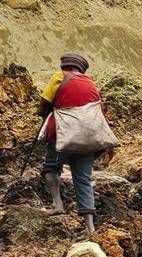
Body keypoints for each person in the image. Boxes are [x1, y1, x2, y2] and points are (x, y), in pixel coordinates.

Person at [39, 52, 109, 235]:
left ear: (65, 66)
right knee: (83, 180)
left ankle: (57, 205)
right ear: (81, 68)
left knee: (51, 168)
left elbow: (43, 105)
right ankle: (90, 229)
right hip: (88, 139)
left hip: (62, 135)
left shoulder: (58, 78)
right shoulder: (91, 83)